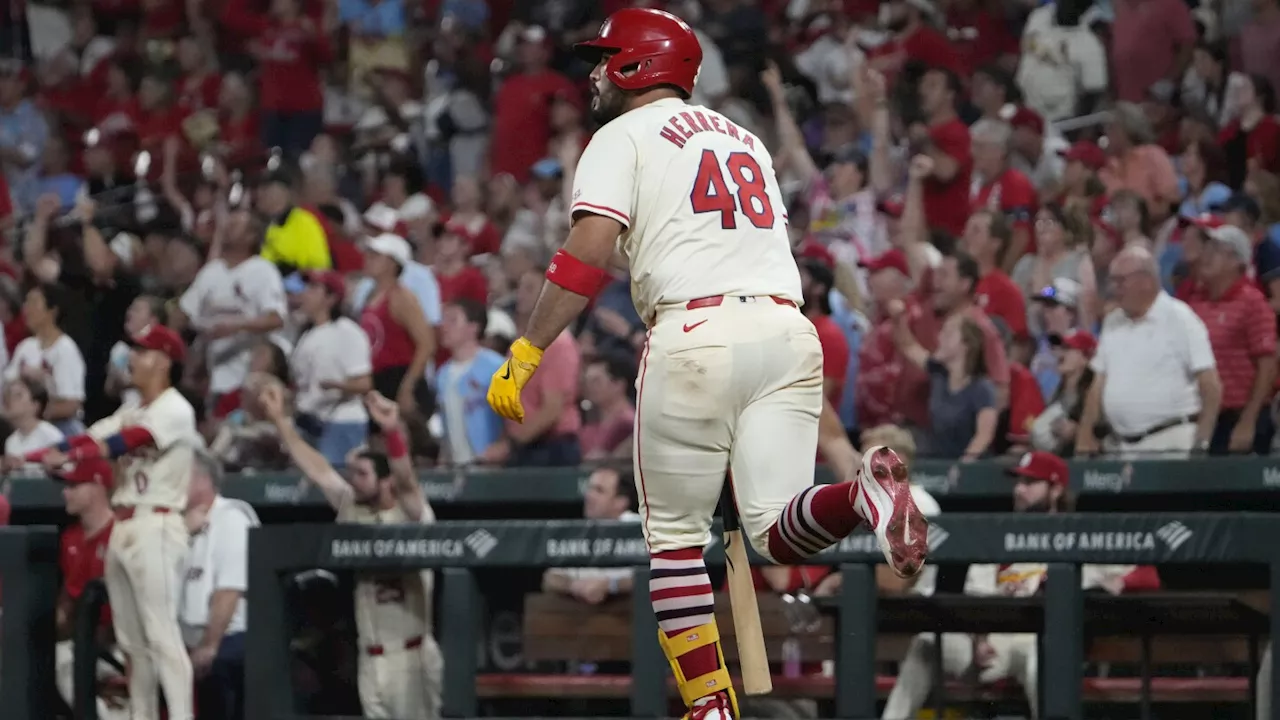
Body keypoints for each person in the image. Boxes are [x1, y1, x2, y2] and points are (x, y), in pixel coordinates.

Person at [483, 9, 928, 719]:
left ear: (639, 64)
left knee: (675, 547)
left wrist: (529, 348)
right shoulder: (744, 138)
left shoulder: (620, 134)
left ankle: (709, 707)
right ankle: (862, 497)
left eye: (608, 58)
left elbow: (588, 249)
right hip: (787, 327)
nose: (596, 71)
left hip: (694, 330)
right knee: (777, 530)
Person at [16, 323, 200, 720]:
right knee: (133, 644)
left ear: (165, 361)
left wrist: (69, 454)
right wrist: (37, 456)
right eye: (133, 350)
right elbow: (85, 439)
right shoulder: (131, 409)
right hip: (126, 524)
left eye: (143, 351)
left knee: (162, 637)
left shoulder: (175, 408)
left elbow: (124, 442)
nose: (133, 358)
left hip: (158, 521)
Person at [261, 384, 442, 719]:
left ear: (384, 481)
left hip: (411, 655)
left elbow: (405, 479)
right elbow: (317, 469)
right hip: (370, 658)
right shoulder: (352, 507)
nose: (352, 479)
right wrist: (280, 421)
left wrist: (391, 430)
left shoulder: (412, 512)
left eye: (362, 473)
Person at [181, 449, 258, 720]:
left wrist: (209, 645)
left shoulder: (231, 518)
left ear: (202, 481)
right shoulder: (179, 524)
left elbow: (229, 589)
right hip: (188, 640)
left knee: (220, 669)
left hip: (229, 638)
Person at [52, 458, 127, 720]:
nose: (65, 492)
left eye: (73, 486)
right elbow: (67, 599)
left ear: (96, 487)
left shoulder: (123, 533)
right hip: (83, 642)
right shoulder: (69, 538)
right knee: (61, 658)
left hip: (124, 642)